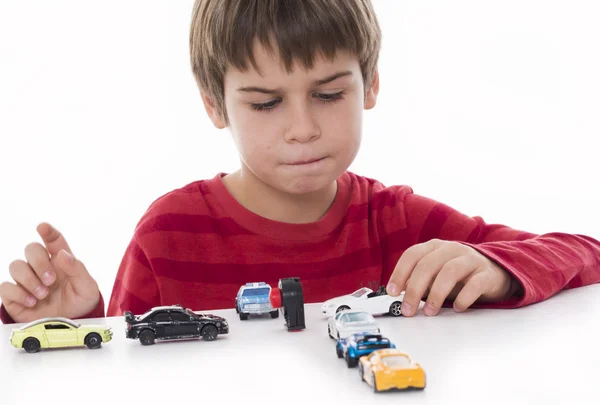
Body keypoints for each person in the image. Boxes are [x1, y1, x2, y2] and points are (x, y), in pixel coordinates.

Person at [2, 0, 600, 326]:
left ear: (370, 86)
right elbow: (118, 380)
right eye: (265, 102)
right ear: (215, 105)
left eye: (329, 94)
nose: (303, 128)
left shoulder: (397, 221)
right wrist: (74, 326)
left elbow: (586, 252)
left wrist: (494, 267)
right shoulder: (168, 236)